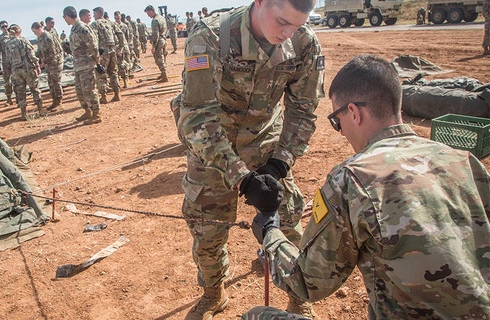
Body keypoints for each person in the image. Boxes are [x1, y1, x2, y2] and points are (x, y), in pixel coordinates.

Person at [246, 54, 490, 319]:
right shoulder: (465, 161)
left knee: (256, 315)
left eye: (336, 122)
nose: (340, 131)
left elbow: (307, 282)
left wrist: (270, 230)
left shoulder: (352, 179)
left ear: (353, 112)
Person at [170, 0, 325, 318]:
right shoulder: (211, 36)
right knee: (207, 230)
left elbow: (304, 109)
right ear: (261, 2)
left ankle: (298, 296)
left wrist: (280, 162)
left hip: (267, 146)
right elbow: (197, 116)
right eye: (282, 21)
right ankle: (214, 292)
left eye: (295, 25)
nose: (287, 32)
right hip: (212, 150)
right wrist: (241, 176)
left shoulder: (304, 42)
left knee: (287, 224)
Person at [64, 6, 102, 124]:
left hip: (86, 64)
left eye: (64, 18)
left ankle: (96, 114)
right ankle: (88, 111)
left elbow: (93, 45)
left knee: (89, 90)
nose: (65, 20)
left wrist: (97, 61)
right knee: (80, 90)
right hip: (78, 65)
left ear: (67, 16)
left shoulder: (82, 28)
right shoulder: (74, 29)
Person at [6, 24, 44, 120]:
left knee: (20, 92)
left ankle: (23, 114)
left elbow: (8, 59)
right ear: (19, 31)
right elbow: (31, 55)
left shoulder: (8, 44)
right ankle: (41, 110)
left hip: (16, 71)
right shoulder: (23, 41)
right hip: (27, 69)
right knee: (34, 89)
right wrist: (37, 65)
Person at [91, 6, 122, 103]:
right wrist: (120, 47)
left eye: (94, 14)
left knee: (101, 74)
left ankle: (104, 97)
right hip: (112, 50)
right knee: (113, 72)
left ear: (98, 13)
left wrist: (96, 54)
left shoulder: (95, 24)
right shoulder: (111, 23)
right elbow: (120, 34)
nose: (93, 16)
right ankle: (117, 94)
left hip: (103, 52)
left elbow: (94, 39)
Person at [33, 22, 64, 110]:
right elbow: (40, 51)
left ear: (39, 28)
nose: (35, 34)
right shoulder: (40, 38)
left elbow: (52, 53)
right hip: (49, 63)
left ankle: (58, 101)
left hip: (55, 62)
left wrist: (44, 63)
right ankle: (54, 100)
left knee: (55, 81)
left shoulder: (47, 37)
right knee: (51, 82)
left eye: (35, 32)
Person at [144, 5, 168, 82]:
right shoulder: (161, 18)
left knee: (158, 58)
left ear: (151, 11)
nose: (148, 16)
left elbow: (155, 34)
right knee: (163, 57)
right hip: (164, 39)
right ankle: (163, 74)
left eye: (148, 14)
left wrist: (154, 46)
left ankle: (164, 76)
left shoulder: (155, 21)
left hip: (159, 41)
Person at [0, 20, 14, 106]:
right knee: (7, 81)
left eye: (6, 26)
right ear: (0, 28)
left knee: (17, 80)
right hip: (6, 62)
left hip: (15, 61)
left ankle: (19, 97)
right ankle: (9, 98)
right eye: (3, 27)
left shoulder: (13, 35)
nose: (5, 28)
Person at [114, 11, 132, 88]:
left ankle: (127, 78)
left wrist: (127, 45)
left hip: (125, 47)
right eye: (116, 18)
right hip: (118, 48)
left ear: (120, 17)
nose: (117, 19)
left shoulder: (125, 26)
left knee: (127, 63)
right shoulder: (113, 26)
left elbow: (127, 37)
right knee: (120, 64)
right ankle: (122, 80)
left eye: (118, 18)